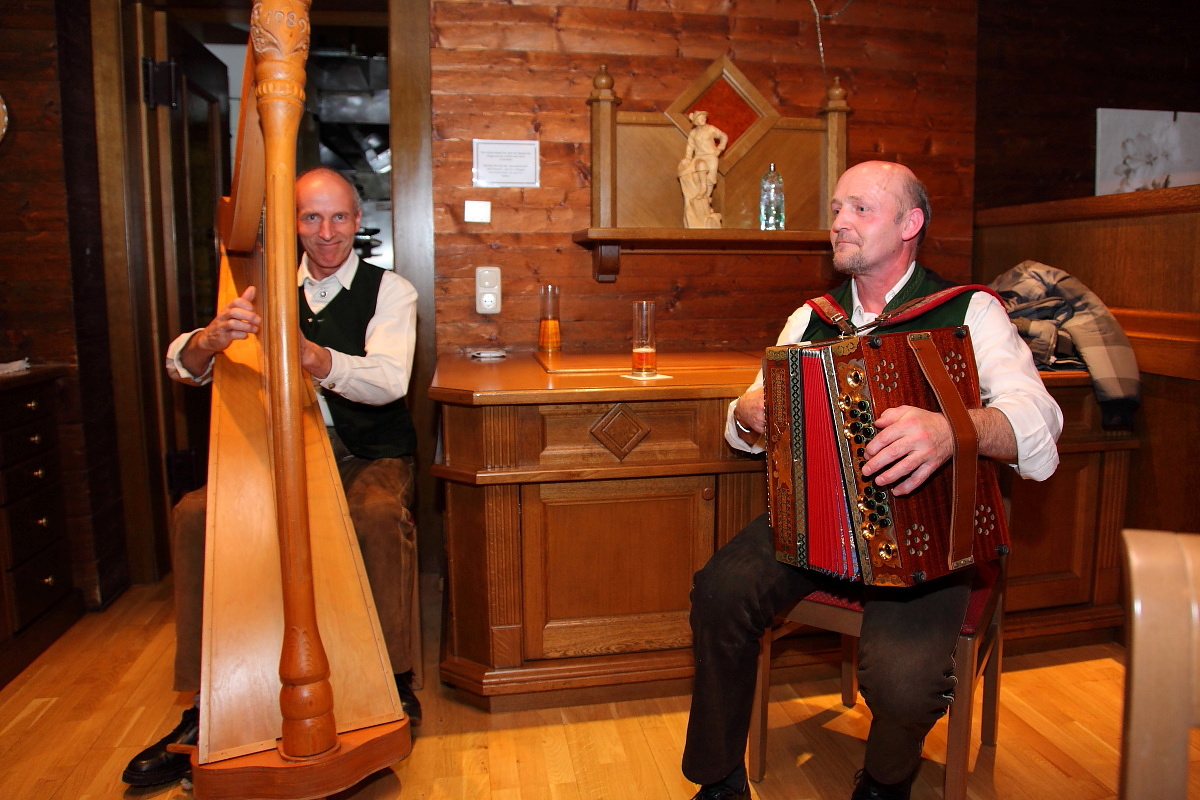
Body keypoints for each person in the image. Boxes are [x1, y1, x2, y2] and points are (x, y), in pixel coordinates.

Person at [682, 161, 1063, 800]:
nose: (840, 222)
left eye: (861, 208)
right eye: (836, 209)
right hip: (815, 522)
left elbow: (1039, 420)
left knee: (903, 683)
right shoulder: (813, 317)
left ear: (910, 223)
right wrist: (746, 414)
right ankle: (719, 782)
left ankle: (884, 784)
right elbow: (744, 421)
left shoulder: (970, 311)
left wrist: (952, 430)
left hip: (926, 529)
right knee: (719, 593)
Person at [122, 167, 423, 787]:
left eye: (338, 217)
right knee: (197, 515)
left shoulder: (390, 290)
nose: (326, 232)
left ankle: (392, 680)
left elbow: (390, 380)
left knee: (375, 515)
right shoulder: (260, 288)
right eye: (311, 217)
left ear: (357, 220)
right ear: (291, 224)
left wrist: (313, 357)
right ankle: (205, 705)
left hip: (366, 452)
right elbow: (182, 363)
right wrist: (208, 341)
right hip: (274, 449)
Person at [677, 110, 729, 228]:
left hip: (711, 156)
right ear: (695, 121)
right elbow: (690, 147)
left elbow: (724, 136)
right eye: (700, 118)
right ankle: (702, 189)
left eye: (704, 117)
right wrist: (688, 158)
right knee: (700, 166)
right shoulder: (693, 133)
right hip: (699, 157)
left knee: (712, 177)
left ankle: (706, 197)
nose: (703, 119)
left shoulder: (711, 129)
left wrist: (719, 149)